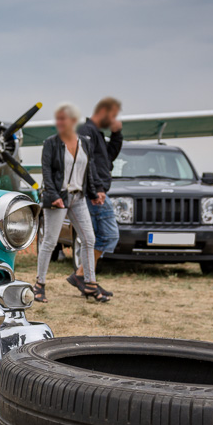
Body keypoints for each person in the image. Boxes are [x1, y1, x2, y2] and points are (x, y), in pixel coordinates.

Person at [33, 102, 108, 303]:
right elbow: (46, 172)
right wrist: (54, 195)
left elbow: (89, 170)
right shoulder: (51, 143)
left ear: (73, 121)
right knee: (49, 241)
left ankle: (90, 284)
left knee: (89, 239)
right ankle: (39, 285)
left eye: (62, 119)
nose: (59, 122)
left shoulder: (85, 142)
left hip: (78, 198)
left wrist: (96, 191)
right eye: (57, 119)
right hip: (58, 199)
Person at [73, 97, 123, 296]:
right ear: (104, 112)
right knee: (108, 235)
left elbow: (108, 157)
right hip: (96, 192)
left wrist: (117, 134)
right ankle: (84, 276)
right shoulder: (86, 131)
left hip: (97, 190)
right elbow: (88, 162)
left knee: (96, 237)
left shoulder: (97, 134)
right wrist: (97, 189)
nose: (114, 120)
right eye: (113, 116)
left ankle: (85, 277)